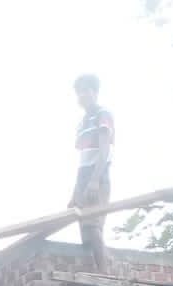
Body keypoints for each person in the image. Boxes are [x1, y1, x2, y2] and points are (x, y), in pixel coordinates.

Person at [71, 73, 115, 275]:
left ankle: (104, 272)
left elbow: (104, 150)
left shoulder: (102, 114)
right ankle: (102, 265)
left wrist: (95, 180)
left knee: (92, 225)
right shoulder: (82, 123)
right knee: (86, 232)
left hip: (97, 174)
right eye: (79, 92)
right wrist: (75, 191)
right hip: (83, 177)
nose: (82, 95)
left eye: (86, 91)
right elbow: (82, 160)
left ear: (95, 92)